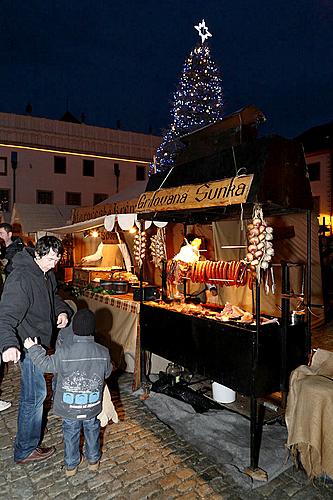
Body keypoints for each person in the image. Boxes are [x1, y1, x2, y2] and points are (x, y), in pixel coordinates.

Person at [0, 236, 72, 464]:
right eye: (50, 258)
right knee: (35, 396)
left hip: (39, 341)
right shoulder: (20, 278)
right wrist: (9, 344)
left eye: (57, 259)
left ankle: (27, 444)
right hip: (28, 344)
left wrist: (62, 311)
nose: (54, 264)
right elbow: (5, 317)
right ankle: (25, 450)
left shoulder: (45, 272)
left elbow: (53, 296)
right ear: (38, 254)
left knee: (36, 394)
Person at [24, 309, 112, 477]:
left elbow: (45, 364)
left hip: (70, 408)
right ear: (93, 329)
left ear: (74, 329)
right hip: (92, 406)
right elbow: (107, 373)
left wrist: (33, 348)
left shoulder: (64, 352)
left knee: (71, 433)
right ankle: (93, 461)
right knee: (92, 431)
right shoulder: (103, 352)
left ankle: (71, 466)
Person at [0, 223, 25, 411]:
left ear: (8, 233)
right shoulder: (3, 248)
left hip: (10, 297)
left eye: (1, 233)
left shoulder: (17, 249)